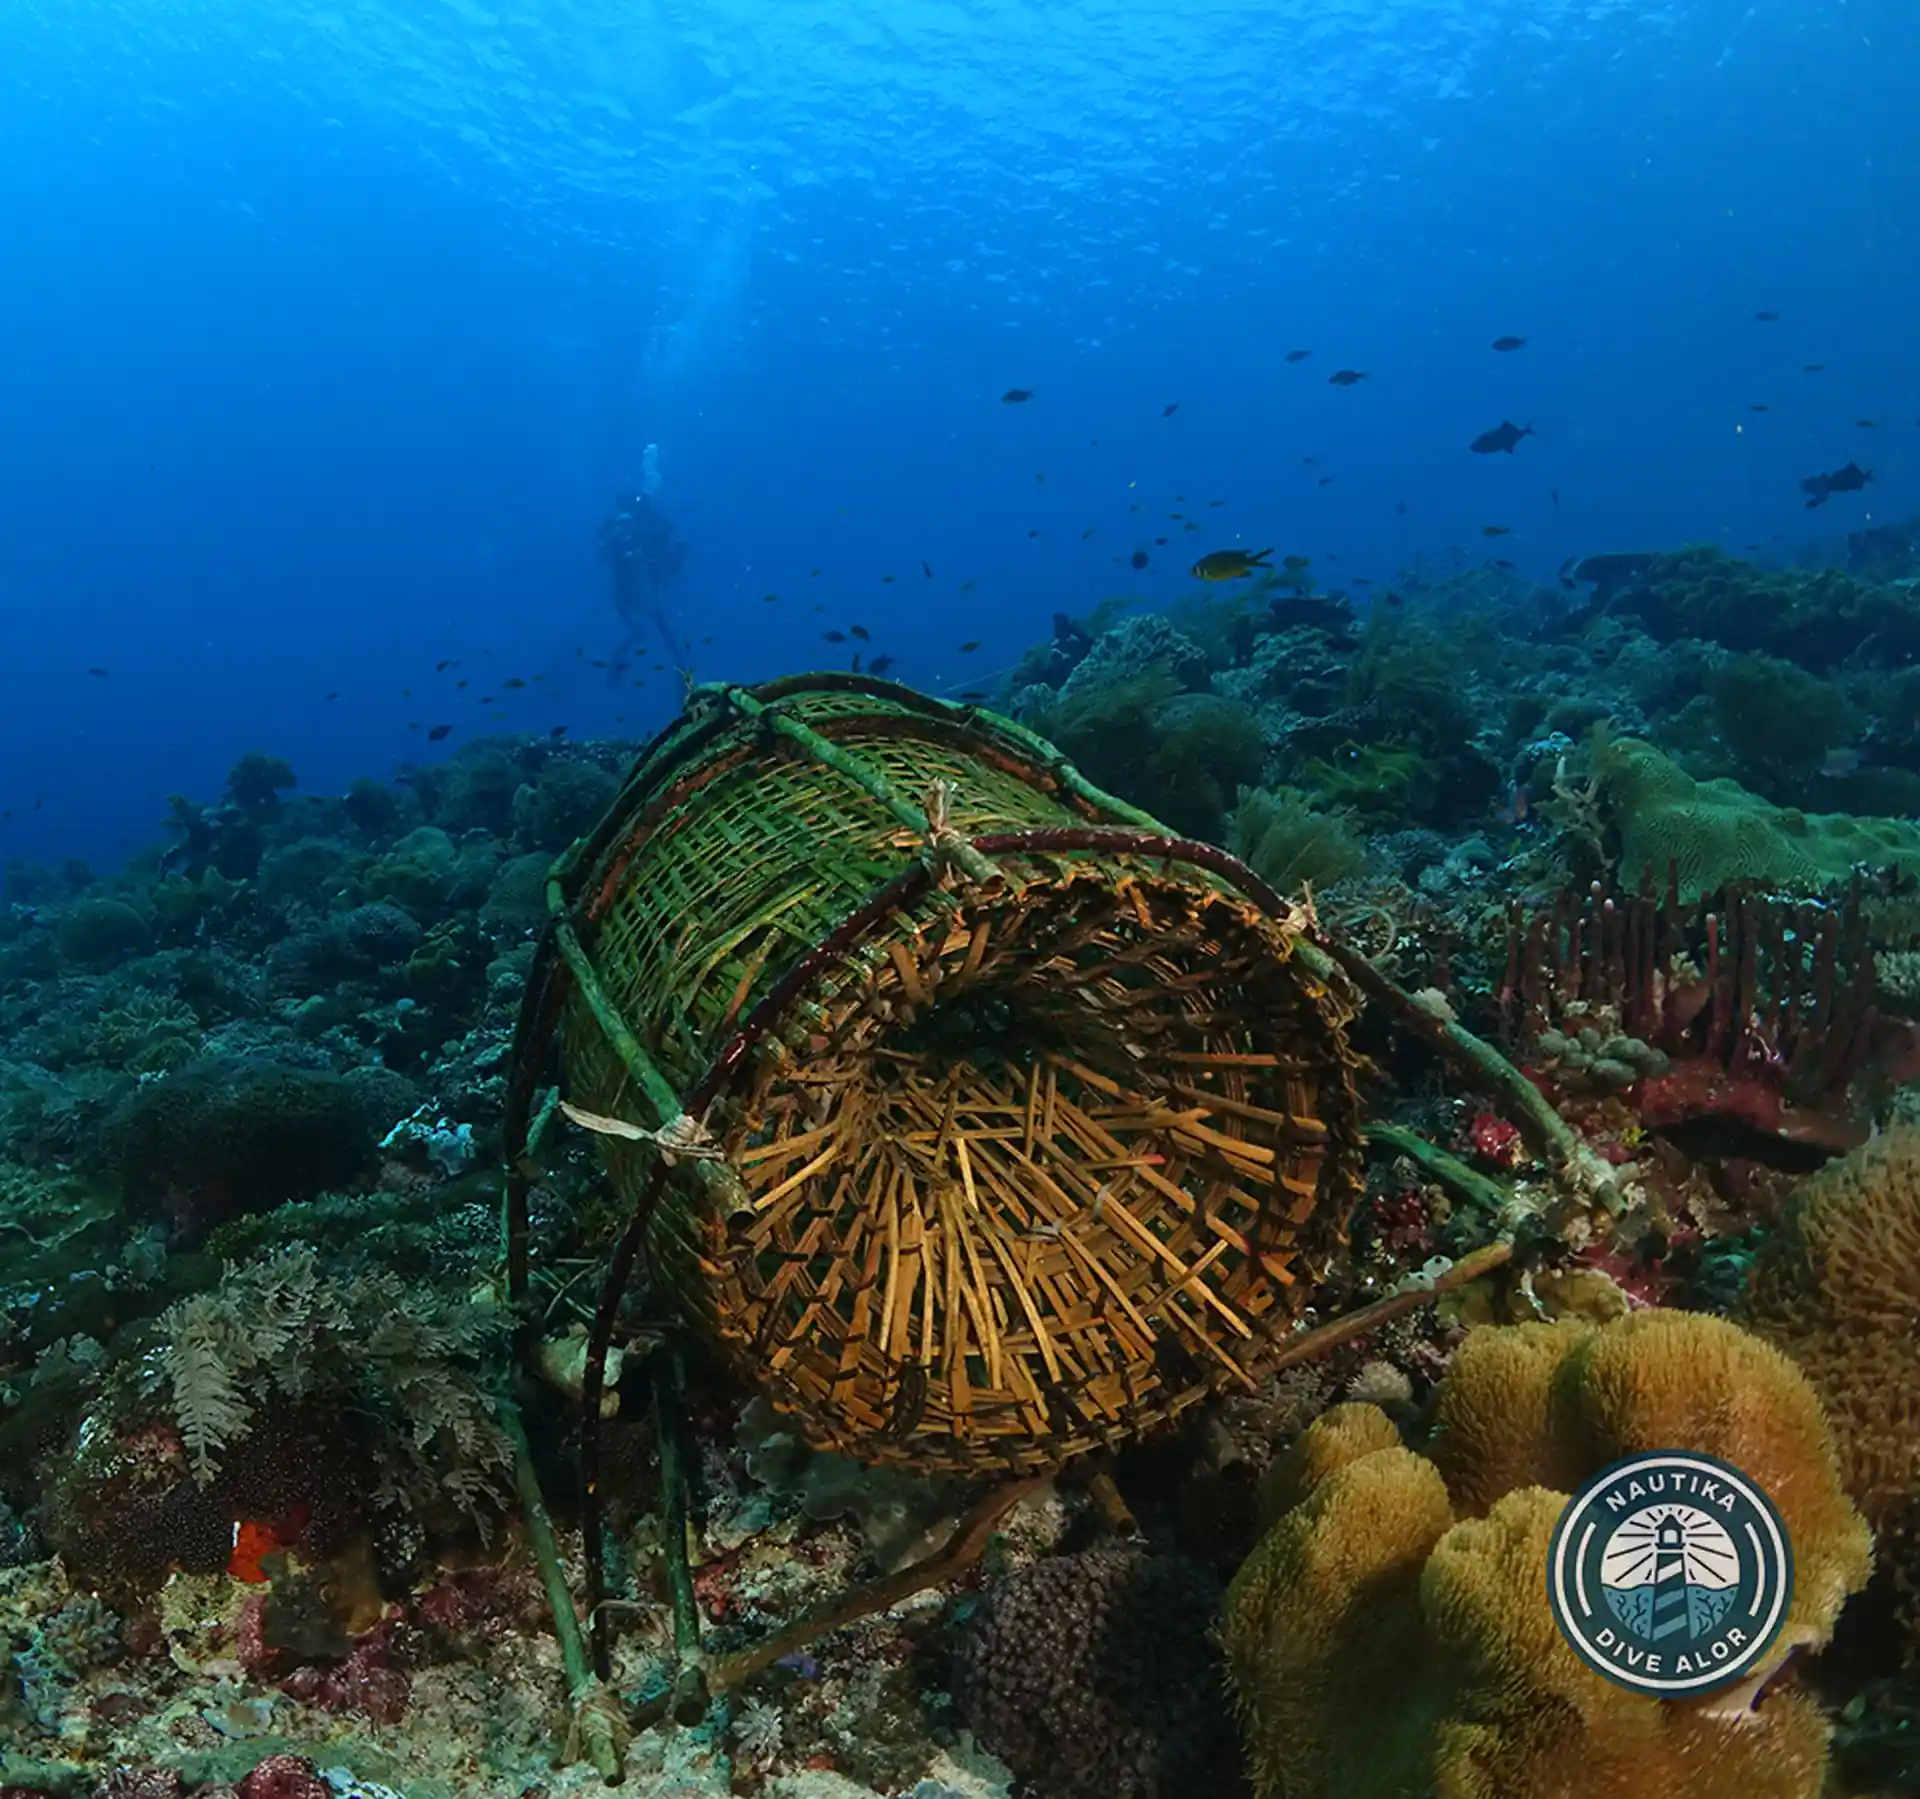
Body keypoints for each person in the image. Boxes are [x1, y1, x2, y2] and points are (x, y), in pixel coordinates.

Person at [599, 480, 687, 674]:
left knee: (655, 619)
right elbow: (605, 553)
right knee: (659, 621)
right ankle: (679, 661)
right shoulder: (623, 529)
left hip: (635, 585)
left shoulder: (638, 528)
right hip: (634, 585)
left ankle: (677, 660)